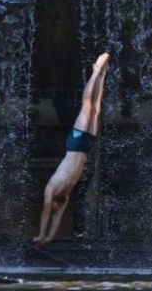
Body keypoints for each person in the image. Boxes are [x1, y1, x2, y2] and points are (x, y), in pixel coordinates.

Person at [33, 52, 110, 246]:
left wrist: (41, 235)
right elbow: (57, 219)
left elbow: (45, 214)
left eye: (54, 209)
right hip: (85, 148)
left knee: (87, 107)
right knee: (97, 109)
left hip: (75, 145)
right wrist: (50, 238)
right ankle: (102, 76)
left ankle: (95, 72)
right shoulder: (65, 196)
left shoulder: (52, 189)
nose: (56, 210)